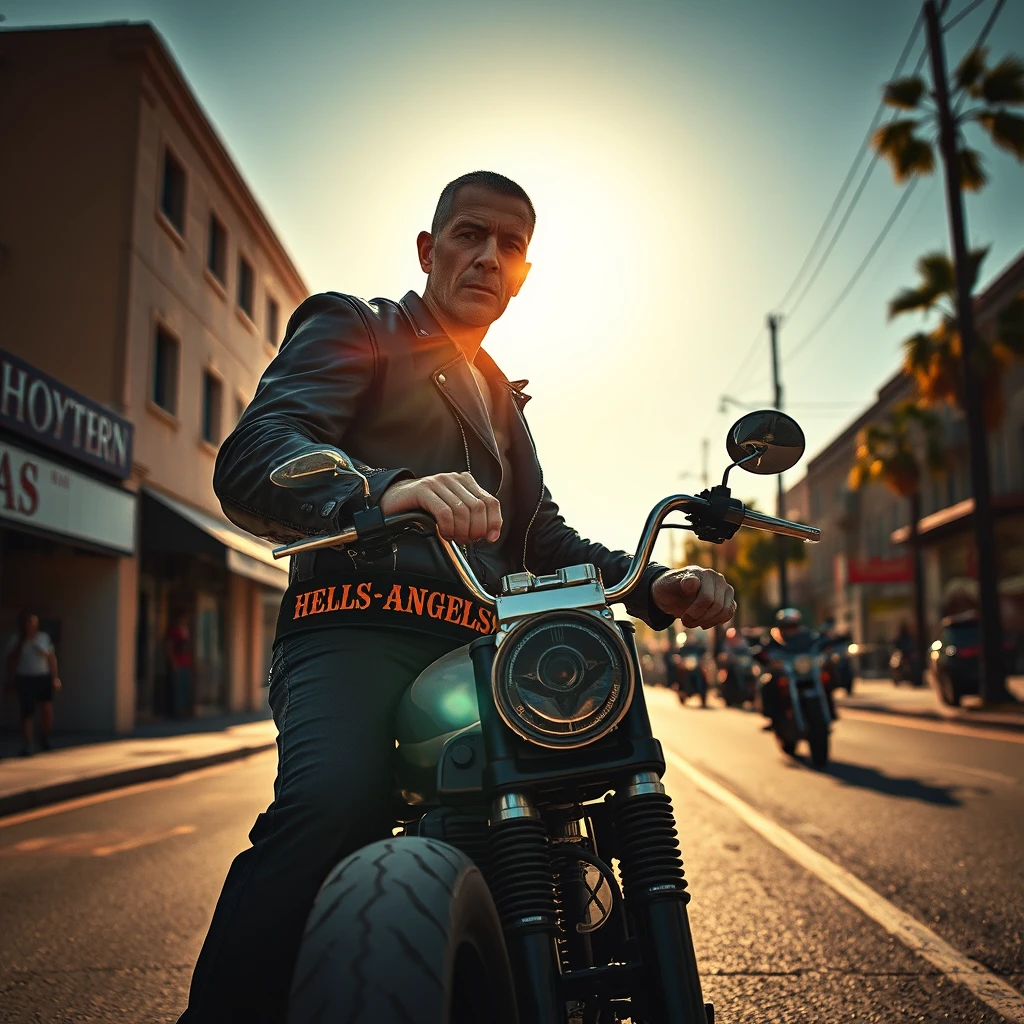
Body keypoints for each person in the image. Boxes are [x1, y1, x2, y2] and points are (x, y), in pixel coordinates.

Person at [177, 171, 737, 1023]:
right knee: (333, 803)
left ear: (523, 272)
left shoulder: (503, 399)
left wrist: (659, 583)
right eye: (471, 235)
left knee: (590, 774)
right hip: (353, 630)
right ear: (429, 250)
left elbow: (540, 539)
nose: (488, 256)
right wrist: (385, 488)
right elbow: (258, 451)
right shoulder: (359, 328)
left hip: (477, 654)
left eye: (510, 246)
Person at [4, 611, 61, 756]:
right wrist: (9, 680)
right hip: (24, 678)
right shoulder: (16, 640)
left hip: (42, 677)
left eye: (34, 622)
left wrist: (55, 677)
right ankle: (28, 744)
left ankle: (44, 737)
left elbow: (51, 658)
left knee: (47, 710)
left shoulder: (43, 638)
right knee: (27, 712)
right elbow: (11, 661)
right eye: (29, 622)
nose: (32, 625)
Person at [164, 613, 193, 718]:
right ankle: (177, 712)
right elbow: (169, 647)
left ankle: (184, 710)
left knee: (184, 688)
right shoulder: (173, 632)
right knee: (177, 689)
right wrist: (173, 663)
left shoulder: (185, 632)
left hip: (185, 663)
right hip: (177, 664)